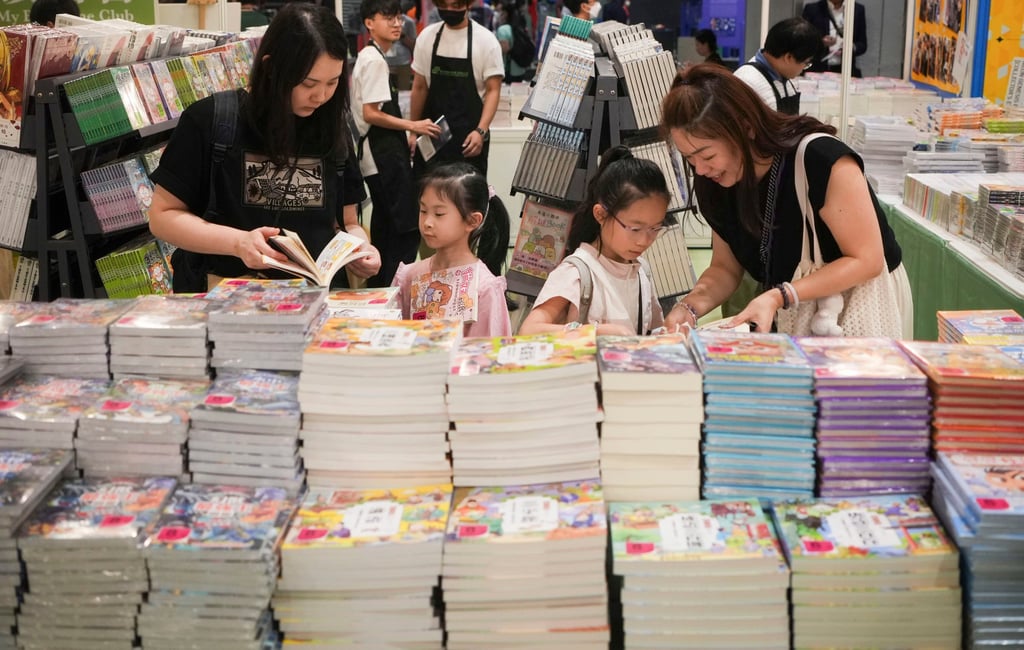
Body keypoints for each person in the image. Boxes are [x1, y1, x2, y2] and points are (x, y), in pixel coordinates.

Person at [660, 65, 912, 338]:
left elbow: (867, 260)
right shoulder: (715, 180)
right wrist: (690, 307)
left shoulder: (820, 159)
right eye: (688, 159)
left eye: (707, 156)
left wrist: (781, 295)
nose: (700, 169)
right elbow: (724, 268)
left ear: (746, 129)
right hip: (794, 313)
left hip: (860, 305)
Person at [149, 3, 381, 291]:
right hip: (224, 300)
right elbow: (162, 217)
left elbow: (346, 223)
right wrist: (238, 243)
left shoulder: (333, 127)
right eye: (308, 83)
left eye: (332, 83)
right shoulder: (212, 120)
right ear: (271, 68)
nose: (321, 96)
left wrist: (360, 248)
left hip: (315, 303)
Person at [518, 146, 670, 336]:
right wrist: (595, 332)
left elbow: (651, 330)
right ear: (601, 214)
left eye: (655, 228)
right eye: (635, 229)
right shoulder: (577, 272)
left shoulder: (641, 271)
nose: (644, 240)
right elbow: (529, 330)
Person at [409, 0, 504, 278]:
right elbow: (419, 86)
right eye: (444, 3)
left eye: (455, 3)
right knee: (431, 210)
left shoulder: (485, 42)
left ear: (466, 4)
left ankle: (470, 277)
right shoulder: (428, 37)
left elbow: (493, 90)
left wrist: (482, 130)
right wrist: (413, 129)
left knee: (468, 212)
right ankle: (433, 275)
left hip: (468, 143)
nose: (449, 8)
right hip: (433, 144)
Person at [353, 0, 442, 288]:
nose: (396, 23)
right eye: (387, 17)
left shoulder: (372, 57)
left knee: (386, 225)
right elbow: (370, 113)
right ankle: (394, 291)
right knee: (402, 229)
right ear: (369, 23)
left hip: (381, 153)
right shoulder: (374, 60)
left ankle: (381, 290)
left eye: (398, 18)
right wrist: (412, 126)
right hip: (381, 156)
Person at [393, 162, 512, 336]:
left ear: (472, 221)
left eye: (439, 214)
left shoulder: (484, 288)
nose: (427, 223)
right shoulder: (409, 276)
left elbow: (488, 352)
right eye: (423, 210)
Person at [734, 17, 822, 115]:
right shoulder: (747, 82)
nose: (803, 69)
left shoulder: (782, 75)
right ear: (788, 57)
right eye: (806, 63)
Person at [802, 0, 867, 78]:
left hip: (845, 71)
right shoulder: (812, 9)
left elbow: (862, 44)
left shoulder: (857, 9)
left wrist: (851, 47)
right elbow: (803, 41)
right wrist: (820, 42)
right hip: (817, 70)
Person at [494, 0, 533, 83]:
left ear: (506, 14)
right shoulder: (519, 27)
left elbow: (504, 49)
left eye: (501, 12)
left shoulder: (502, 30)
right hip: (520, 70)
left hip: (508, 71)